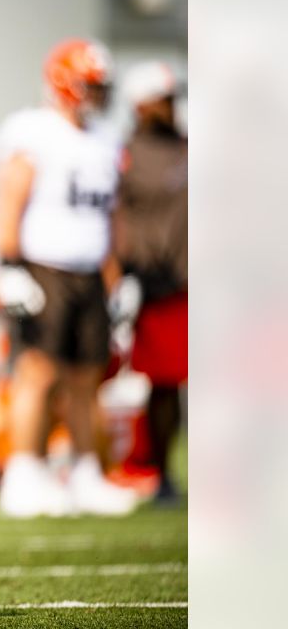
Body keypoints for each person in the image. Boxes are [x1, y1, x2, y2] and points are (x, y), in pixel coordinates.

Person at [0, 38, 138, 519]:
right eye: (88, 85)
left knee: (86, 378)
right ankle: (22, 472)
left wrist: (119, 279)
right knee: (37, 373)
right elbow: (11, 199)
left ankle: (85, 474)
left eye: (99, 87)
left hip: (89, 271)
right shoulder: (32, 131)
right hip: (43, 266)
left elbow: (109, 217)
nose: (95, 95)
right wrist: (8, 266)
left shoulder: (106, 139)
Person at [111, 60, 187, 504]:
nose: (169, 106)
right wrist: (125, 272)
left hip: (190, 280)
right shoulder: (126, 154)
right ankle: (152, 469)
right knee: (158, 382)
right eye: (161, 99)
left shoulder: (188, 146)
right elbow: (115, 217)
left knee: (177, 382)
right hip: (151, 283)